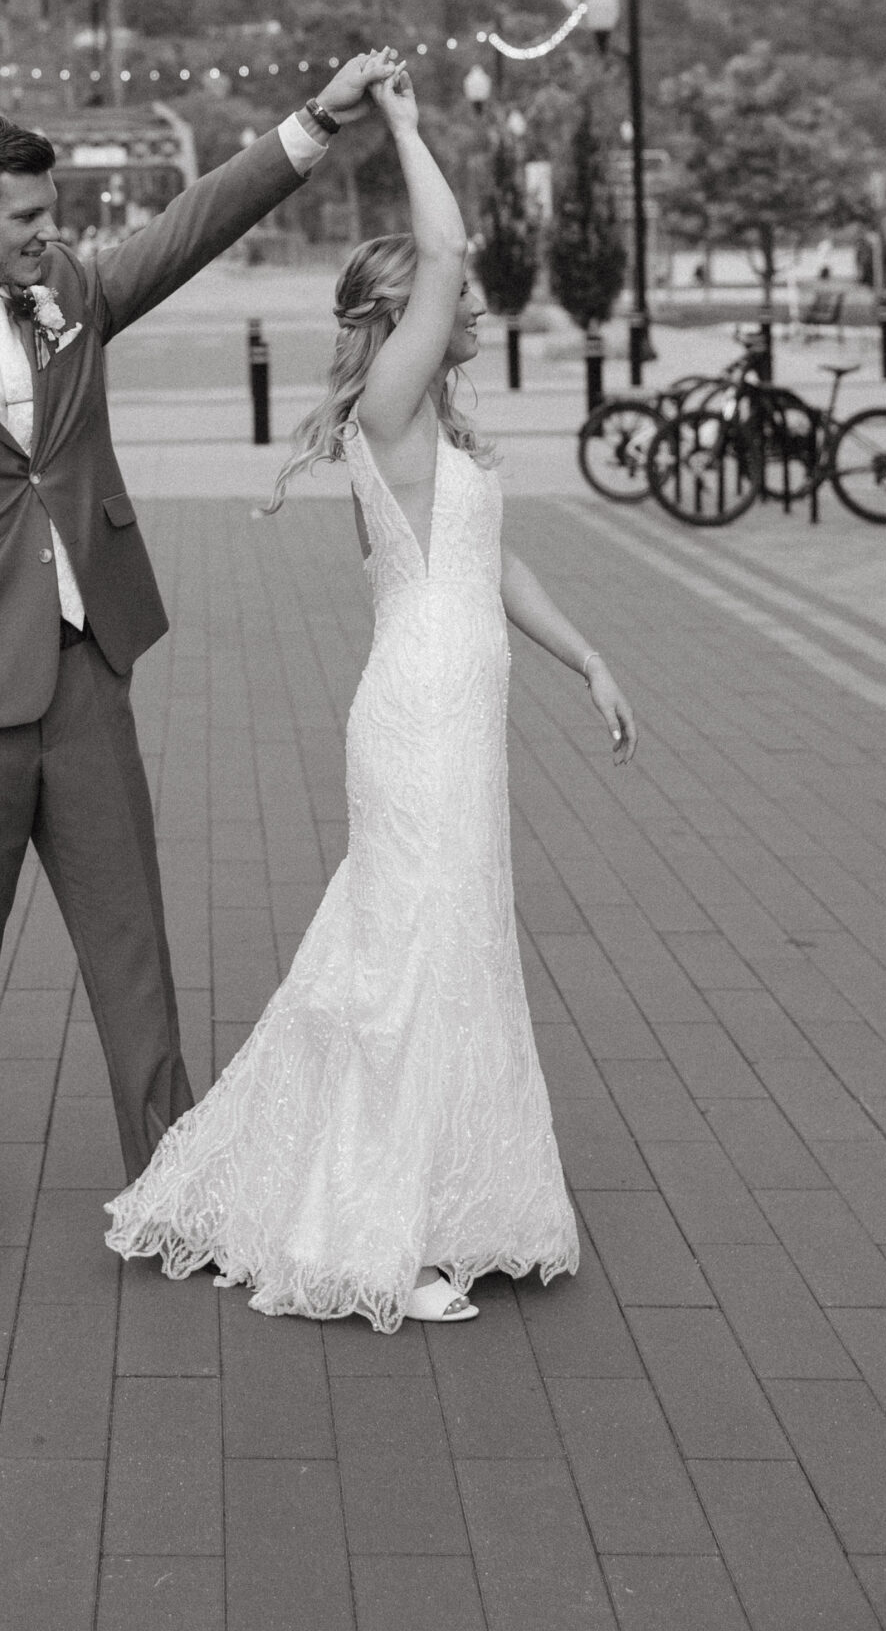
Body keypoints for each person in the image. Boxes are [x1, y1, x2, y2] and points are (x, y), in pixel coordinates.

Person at [0, 58, 401, 1305]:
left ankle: (172, 1186)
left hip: (83, 677)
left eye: (51, 217)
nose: (50, 233)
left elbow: (193, 225)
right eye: (25, 217)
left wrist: (312, 122)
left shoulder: (72, 297)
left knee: (133, 952)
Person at [105, 68, 637, 1331]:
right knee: (408, 953)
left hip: (456, 701)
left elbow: (490, 562)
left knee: (439, 946)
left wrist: (589, 657)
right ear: (407, 314)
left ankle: (439, 1199)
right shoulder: (391, 414)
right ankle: (374, 1232)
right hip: (422, 711)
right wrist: (396, 121)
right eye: (450, 297)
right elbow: (448, 241)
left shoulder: (429, 430)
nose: (472, 300)